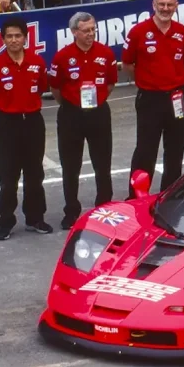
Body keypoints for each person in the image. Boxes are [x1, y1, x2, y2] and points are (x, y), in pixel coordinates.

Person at [0, 17, 54, 241]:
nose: (14, 40)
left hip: (32, 122)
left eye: (18, 36)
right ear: (3, 39)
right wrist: (8, 111)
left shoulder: (37, 62)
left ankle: (35, 218)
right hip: (7, 125)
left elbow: (41, 88)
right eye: (9, 36)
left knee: (34, 173)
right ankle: (6, 221)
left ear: (25, 37)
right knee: (8, 176)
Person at [49, 12, 118, 230]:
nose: (91, 34)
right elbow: (55, 88)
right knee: (70, 165)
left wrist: (97, 101)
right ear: (74, 32)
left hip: (98, 112)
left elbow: (110, 83)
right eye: (86, 30)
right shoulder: (62, 57)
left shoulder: (106, 54)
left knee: (102, 163)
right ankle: (71, 210)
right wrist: (72, 105)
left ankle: (104, 205)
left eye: (93, 29)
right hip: (71, 114)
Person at [122, 0, 184, 195]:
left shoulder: (182, 32)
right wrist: (146, 82)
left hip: (177, 98)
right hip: (149, 98)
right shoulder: (138, 32)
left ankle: (169, 195)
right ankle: (136, 196)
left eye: (170, 4)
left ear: (176, 6)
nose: (165, 8)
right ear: (153, 5)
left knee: (175, 150)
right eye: (161, 4)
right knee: (145, 151)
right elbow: (128, 64)